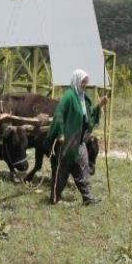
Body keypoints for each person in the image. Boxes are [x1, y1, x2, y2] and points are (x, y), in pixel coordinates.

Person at [46, 69, 108, 205]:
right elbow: (59, 115)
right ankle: (54, 197)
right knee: (63, 170)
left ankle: (88, 198)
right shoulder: (68, 96)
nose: (85, 84)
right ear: (76, 81)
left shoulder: (84, 98)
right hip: (67, 141)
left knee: (84, 168)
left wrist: (99, 105)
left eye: (86, 82)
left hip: (79, 140)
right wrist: (60, 133)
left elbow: (88, 117)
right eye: (82, 82)